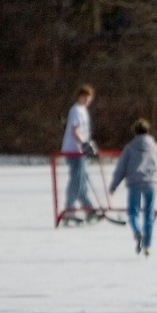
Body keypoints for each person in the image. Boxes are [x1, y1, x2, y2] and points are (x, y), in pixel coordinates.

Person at [108, 118, 157, 255]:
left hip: (134, 183)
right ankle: (147, 245)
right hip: (150, 183)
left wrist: (114, 185)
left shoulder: (129, 147)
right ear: (148, 131)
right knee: (148, 214)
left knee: (133, 212)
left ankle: (137, 232)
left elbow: (121, 168)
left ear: (134, 132)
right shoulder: (154, 147)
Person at [60, 84, 99, 224]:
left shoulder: (83, 110)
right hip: (73, 150)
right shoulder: (76, 110)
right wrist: (84, 144)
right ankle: (69, 210)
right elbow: (75, 131)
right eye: (84, 97)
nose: (87, 100)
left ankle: (89, 209)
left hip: (80, 151)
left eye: (89, 98)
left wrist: (89, 145)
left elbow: (83, 132)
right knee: (76, 181)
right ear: (79, 97)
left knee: (82, 181)